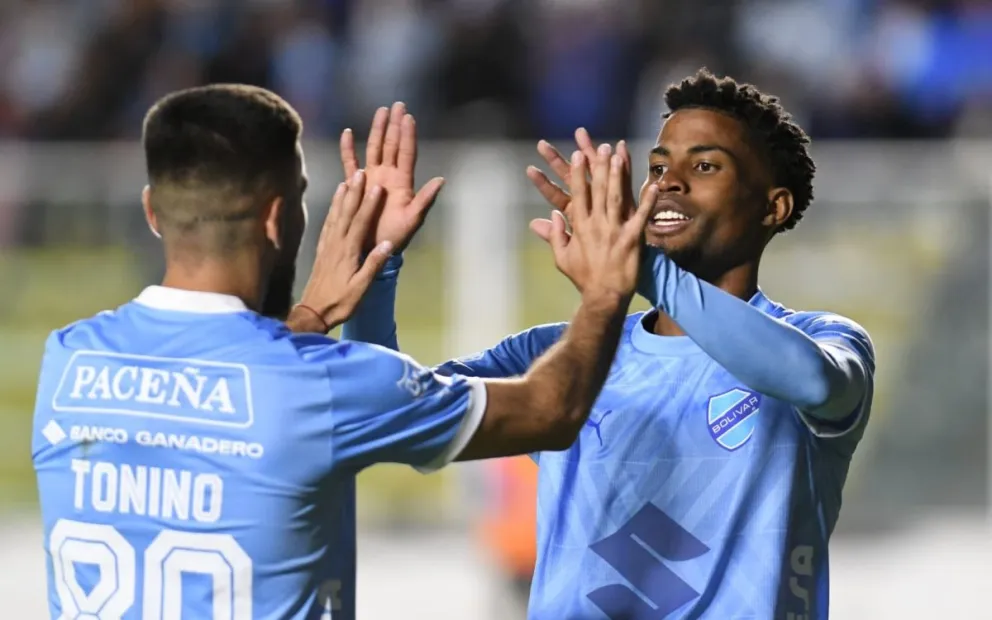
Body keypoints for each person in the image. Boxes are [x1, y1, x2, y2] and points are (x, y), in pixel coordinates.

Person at [30, 84, 653, 620]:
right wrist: (605, 288)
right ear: (280, 218)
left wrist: (315, 315)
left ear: (152, 213)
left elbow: (223, 398)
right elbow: (552, 410)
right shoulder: (316, 386)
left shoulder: (69, 359)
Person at [341, 71, 876, 619]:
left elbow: (812, 380)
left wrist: (638, 268)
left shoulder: (824, 341)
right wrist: (375, 264)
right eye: (658, 167)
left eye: (705, 165)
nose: (669, 182)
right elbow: (388, 416)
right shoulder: (563, 355)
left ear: (774, 206)